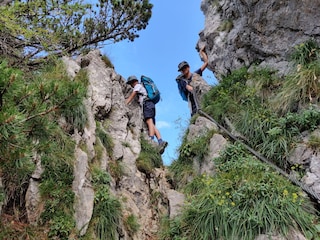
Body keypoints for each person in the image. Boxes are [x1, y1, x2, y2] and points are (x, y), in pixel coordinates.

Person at [125, 75, 168, 154]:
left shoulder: (137, 86)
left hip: (147, 104)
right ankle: (160, 141)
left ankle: (151, 140)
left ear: (132, 82)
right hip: (151, 105)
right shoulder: (142, 87)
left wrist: (126, 102)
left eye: (130, 84)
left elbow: (133, 94)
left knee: (149, 122)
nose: (131, 85)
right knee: (152, 125)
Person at [176, 46, 208, 116]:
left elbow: (206, 63)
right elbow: (188, 88)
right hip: (193, 101)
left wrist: (201, 52)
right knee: (196, 115)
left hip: (202, 96)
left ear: (188, 67)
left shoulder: (195, 74)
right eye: (182, 69)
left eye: (184, 68)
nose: (184, 70)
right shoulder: (182, 81)